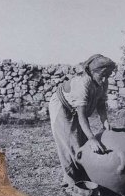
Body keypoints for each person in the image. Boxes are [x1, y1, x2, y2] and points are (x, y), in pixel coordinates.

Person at [48, 53, 116, 188]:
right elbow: (82, 115)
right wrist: (92, 138)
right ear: (91, 72)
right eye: (101, 76)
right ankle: (73, 183)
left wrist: (105, 121)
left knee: (83, 142)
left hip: (76, 109)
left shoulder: (103, 81)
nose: (104, 79)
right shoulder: (82, 83)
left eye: (107, 76)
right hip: (62, 106)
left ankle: (86, 176)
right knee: (70, 145)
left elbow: (101, 102)